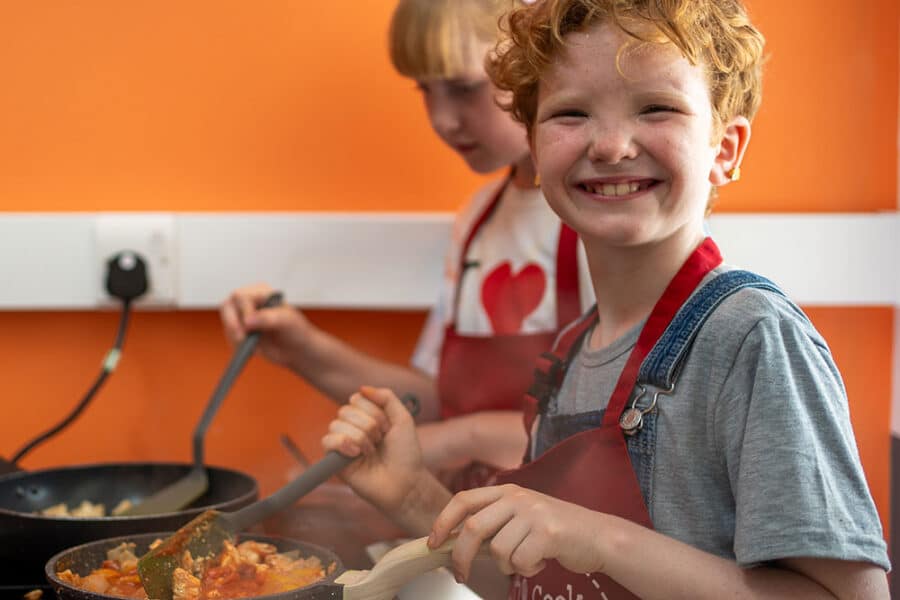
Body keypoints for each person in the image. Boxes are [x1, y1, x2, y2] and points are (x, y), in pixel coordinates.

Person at [321, 0, 892, 597]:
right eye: (571, 113)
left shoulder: (752, 337)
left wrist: (603, 540)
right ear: (536, 153)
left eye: (657, 108)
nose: (612, 145)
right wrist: (411, 491)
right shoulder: (568, 353)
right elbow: (534, 583)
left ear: (725, 149)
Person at [221, 0, 592, 491]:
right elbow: (438, 402)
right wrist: (302, 349)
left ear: (536, 58)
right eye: (425, 90)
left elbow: (605, 429)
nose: (442, 119)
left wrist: (452, 441)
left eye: (463, 88)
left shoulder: (594, 219)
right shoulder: (478, 220)